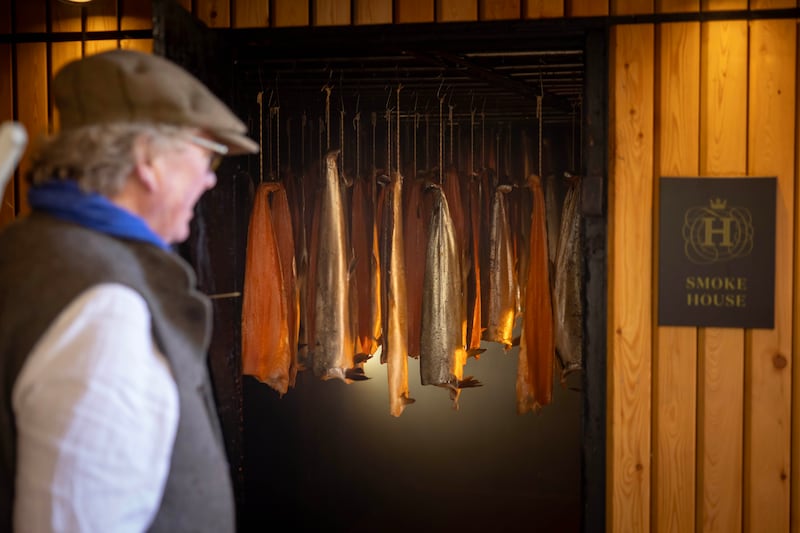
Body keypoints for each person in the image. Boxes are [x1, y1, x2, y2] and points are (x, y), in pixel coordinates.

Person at [0, 49, 258, 532]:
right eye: (206, 156)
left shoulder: (28, 245)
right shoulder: (103, 309)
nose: (208, 179)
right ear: (147, 160)